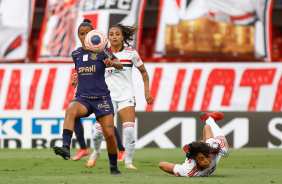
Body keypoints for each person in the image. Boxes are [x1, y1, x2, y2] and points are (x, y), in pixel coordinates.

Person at [73, 23, 154, 170]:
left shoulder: (131, 53)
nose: (114, 36)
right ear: (107, 37)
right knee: (98, 132)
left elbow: (144, 72)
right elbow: (87, 70)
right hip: (105, 97)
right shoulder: (99, 52)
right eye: (111, 34)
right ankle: (96, 152)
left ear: (123, 37)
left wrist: (146, 91)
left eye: (117, 34)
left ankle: (128, 162)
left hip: (126, 95)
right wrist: (78, 79)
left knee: (129, 130)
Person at [53, 19, 124, 175]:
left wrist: (112, 64)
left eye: (87, 33)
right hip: (83, 98)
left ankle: (114, 168)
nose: (84, 36)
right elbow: (82, 71)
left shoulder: (102, 50)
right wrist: (77, 79)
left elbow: (119, 64)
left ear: (93, 34)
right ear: (78, 36)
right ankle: (66, 147)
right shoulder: (76, 54)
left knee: (110, 134)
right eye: (81, 33)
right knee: (70, 110)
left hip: (101, 98)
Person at [159, 111, 229, 177]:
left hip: (208, 146)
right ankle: (188, 151)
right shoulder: (188, 170)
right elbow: (161, 164)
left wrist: (209, 121)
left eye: (207, 156)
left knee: (224, 145)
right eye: (201, 158)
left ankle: (208, 118)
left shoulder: (213, 149)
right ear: (195, 159)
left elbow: (207, 127)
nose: (206, 161)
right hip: (194, 155)